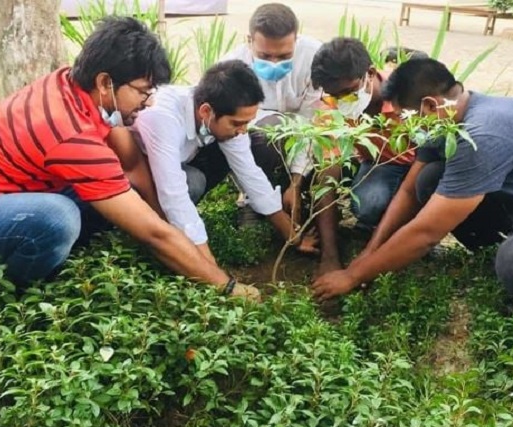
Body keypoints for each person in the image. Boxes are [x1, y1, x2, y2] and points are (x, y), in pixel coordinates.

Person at [0, 17, 258, 300]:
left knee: (160, 189)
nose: (149, 102)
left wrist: (168, 219)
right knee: (57, 219)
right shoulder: (68, 131)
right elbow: (152, 234)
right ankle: (14, 293)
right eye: (143, 91)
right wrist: (224, 286)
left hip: (2, 200)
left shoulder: (72, 86)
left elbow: (133, 166)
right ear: (105, 82)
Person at [313, 58, 513, 317]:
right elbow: (409, 192)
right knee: (430, 179)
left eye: (401, 116)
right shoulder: (453, 116)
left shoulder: (484, 135)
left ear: (428, 105)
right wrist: (369, 254)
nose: (400, 125)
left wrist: (354, 276)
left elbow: (426, 234)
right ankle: (511, 265)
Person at [127, 60, 307, 267]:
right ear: (206, 111)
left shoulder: (219, 112)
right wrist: (209, 268)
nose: (243, 130)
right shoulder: (163, 118)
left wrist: (293, 237)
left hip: (170, 166)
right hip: (133, 176)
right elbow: (173, 194)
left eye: (247, 122)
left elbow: (249, 172)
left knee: (211, 166)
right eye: (238, 123)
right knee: (192, 184)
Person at [221, 3, 341, 273]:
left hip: (306, 136)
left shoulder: (315, 58)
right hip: (260, 139)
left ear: (296, 40)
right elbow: (234, 138)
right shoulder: (232, 68)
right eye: (265, 55)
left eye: (284, 55)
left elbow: (315, 123)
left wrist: (296, 182)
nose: (275, 63)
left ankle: (305, 200)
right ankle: (252, 200)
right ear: (249, 40)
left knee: (326, 141)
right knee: (267, 134)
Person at [310, 37, 421, 230]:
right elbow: (328, 171)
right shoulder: (331, 106)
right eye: (333, 95)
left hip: (423, 163)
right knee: (367, 205)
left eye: (348, 92)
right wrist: (330, 254)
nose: (341, 101)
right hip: (382, 163)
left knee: (425, 190)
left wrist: (406, 196)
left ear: (369, 73)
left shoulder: (410, 93)